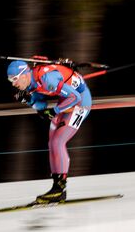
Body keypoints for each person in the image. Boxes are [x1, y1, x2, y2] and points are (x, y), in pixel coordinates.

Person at [6, 59, 92, 204]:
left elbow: (75, 97)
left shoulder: (46, 79)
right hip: (66, 102)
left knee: (59, 141)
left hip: (80, 102)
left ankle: (59, 188)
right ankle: (56, 188)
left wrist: (54, 111)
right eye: (10, 80)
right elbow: (42, 107)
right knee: (52, 142)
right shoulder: (31, 83)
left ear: (24, 74)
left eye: (15, 79)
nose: (13, 84)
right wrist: (29, 100)